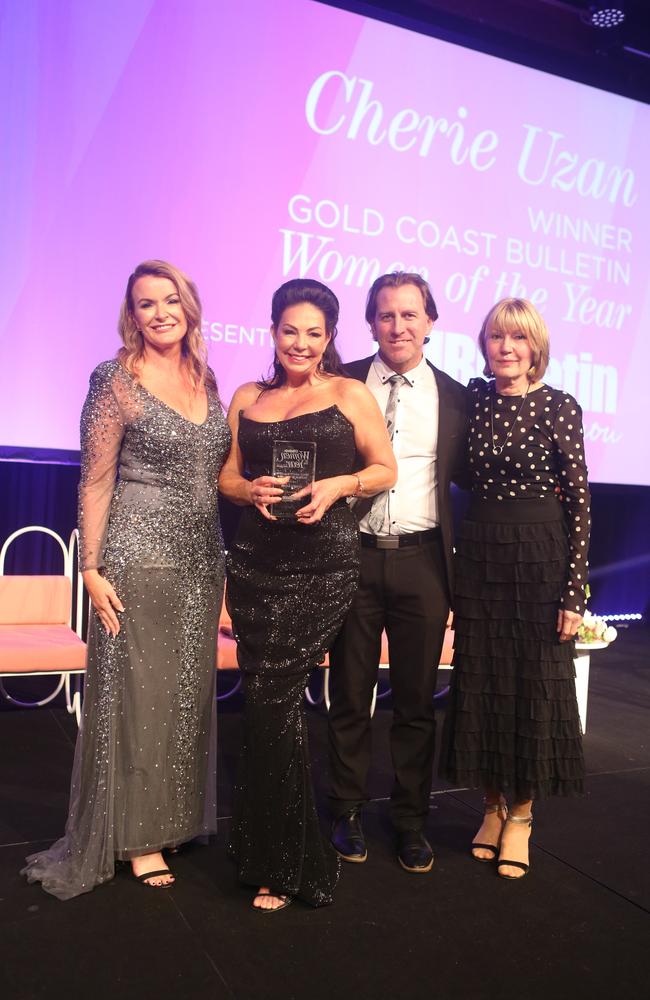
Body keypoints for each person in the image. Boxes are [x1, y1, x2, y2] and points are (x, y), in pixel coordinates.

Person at [23, 260, 231, 898]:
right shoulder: (114, 380)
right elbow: (96, 475)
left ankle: (169, 820)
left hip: (201, 558)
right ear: (131, 315)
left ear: (189, 307)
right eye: (147, 304)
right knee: (140, 698)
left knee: (185, 700)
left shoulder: (206, 375)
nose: (162, 312)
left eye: (172, 300)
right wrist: (90, 566)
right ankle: (137, 838)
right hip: (137, 556)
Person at [219, 277, 396, 913]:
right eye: (289, 330)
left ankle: (280, 859)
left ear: (329, 337)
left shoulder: (349, 394)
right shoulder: (248, 396)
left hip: (322, 568)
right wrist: (249, 493)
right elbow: (227, 474)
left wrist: (341, 485)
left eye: (314, 333)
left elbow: (386, 469)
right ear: (272, 332)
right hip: (255, 566)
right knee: (270, 701)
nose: (300, 342)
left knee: (273, 699)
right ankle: (271, 846)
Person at [441, 297, 590, 879]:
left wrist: (573, 593)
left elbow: (579, 503)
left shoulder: (560, 407)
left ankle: (523, 814)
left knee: (532, 686)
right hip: (479, 555)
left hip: (541, 558)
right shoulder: (474, 399)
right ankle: (492, 805)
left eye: (518, 339)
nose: (506, 347)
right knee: (483, 680)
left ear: (536, 349)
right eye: (497, 337)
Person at [327, 271, 468, 874]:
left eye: (410, 315)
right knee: (350, 696)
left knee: (416, 701)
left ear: (430, 322)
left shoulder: (459, 397)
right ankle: (347, 811)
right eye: (386, 315)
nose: (398, 326)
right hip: (351, 556)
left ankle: (411, 819)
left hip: (424, 561)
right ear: (370, 322)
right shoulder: (341, 383)